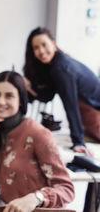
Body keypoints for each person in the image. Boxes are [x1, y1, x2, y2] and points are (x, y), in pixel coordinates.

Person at [0, 71, 74, 211]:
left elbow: (66, 189)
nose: (1, 101)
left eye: (9, 96)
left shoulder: (38, 134)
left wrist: (35, 198)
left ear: (20, 100)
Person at [23, 27, 100, 155]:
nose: (41, 51)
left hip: (96, 115)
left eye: (44, 44)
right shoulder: (52, 67)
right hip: (89, 119)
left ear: (53, 43)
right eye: (36, 48)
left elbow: (71, 105)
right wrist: (29, 86)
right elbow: (47, 96)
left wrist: (78, 141)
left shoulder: (61, 68)